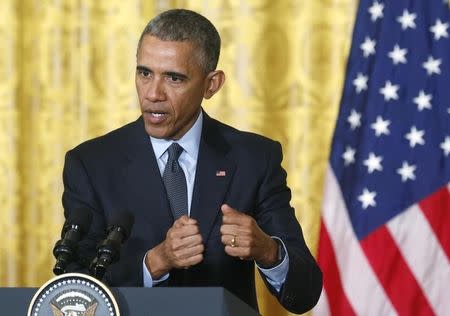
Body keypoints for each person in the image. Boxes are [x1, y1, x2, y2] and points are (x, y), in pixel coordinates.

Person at [62, 8, 322, 314]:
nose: (153, 93)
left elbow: (305, 293)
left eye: (174, 78)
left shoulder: (254, 159)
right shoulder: (92, 163)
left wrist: (269, 251)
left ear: (211, 84)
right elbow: (73, 291)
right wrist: (155, 263)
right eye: (145, 73)